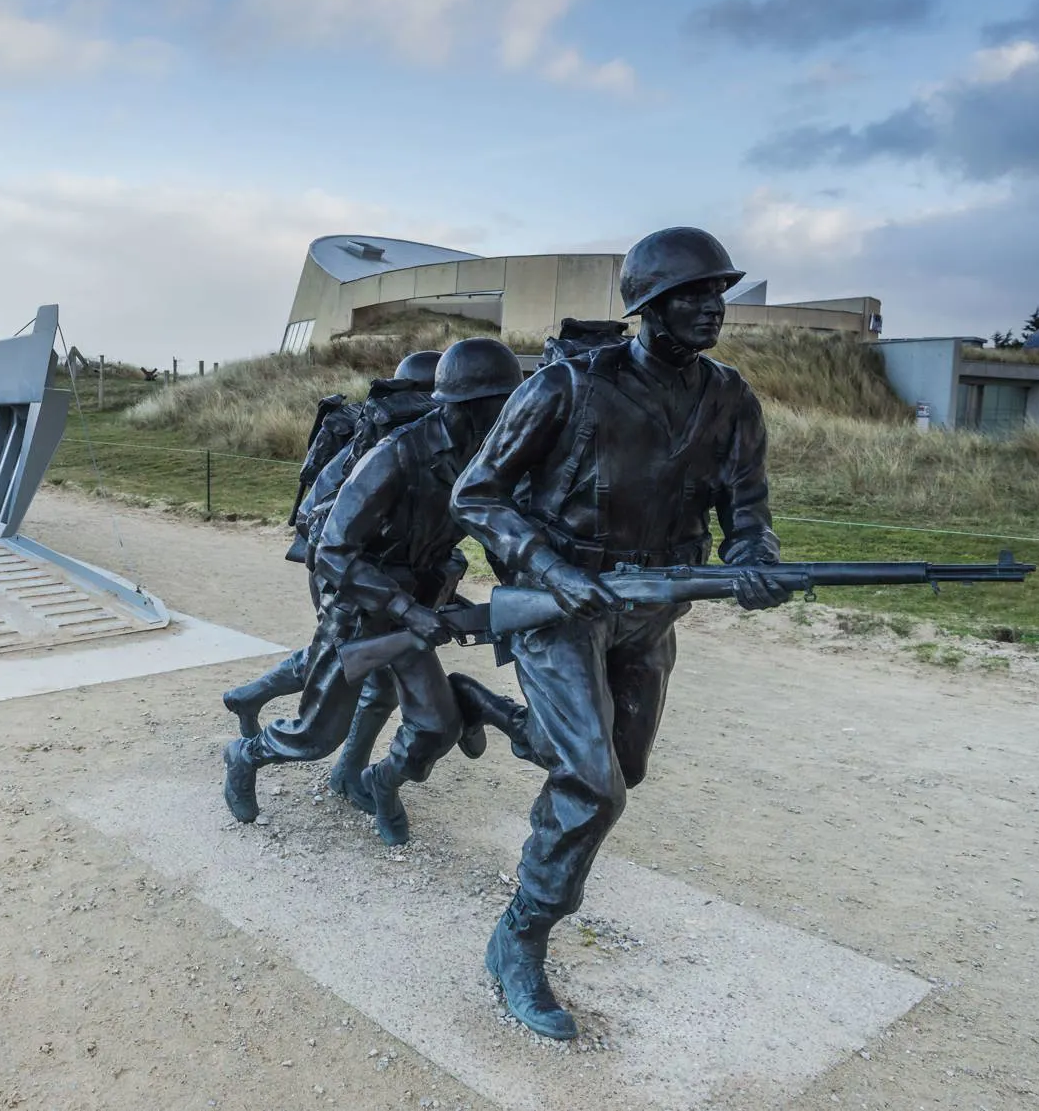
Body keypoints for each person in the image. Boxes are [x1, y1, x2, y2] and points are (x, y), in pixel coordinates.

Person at [451, 226, 791, 1040]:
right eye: (692, 295)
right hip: (560, 606)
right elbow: (476, 493)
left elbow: (748, 513)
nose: (712, 307)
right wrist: (549, 567)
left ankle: (502, 715)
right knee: (594, 785)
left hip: (652, 610)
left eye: (717, 293)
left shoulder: (731, 399)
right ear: (650, 305)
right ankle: (521, 934)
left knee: (621, 766)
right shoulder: (567, 385)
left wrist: (755, 563)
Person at [223, 337, 525, 846]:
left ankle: (375, 781)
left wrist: (520, 595)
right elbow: (332, 552)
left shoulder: (480, 458)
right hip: (361, 608)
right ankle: (245, 755)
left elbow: (496, 531)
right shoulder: (396, 455)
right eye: (502, 405)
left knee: (435, 725)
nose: (512, 416)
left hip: (415, 610)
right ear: (468, 405)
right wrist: (403, 607)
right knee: (316, 735)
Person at [221, 350, 443, 797]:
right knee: (357, 668)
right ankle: (338, 768)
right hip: (346, 573)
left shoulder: (428, 442)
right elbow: (321, 520)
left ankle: (258, 701)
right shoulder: (382, 439)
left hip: (382, 576)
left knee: (348, 661)